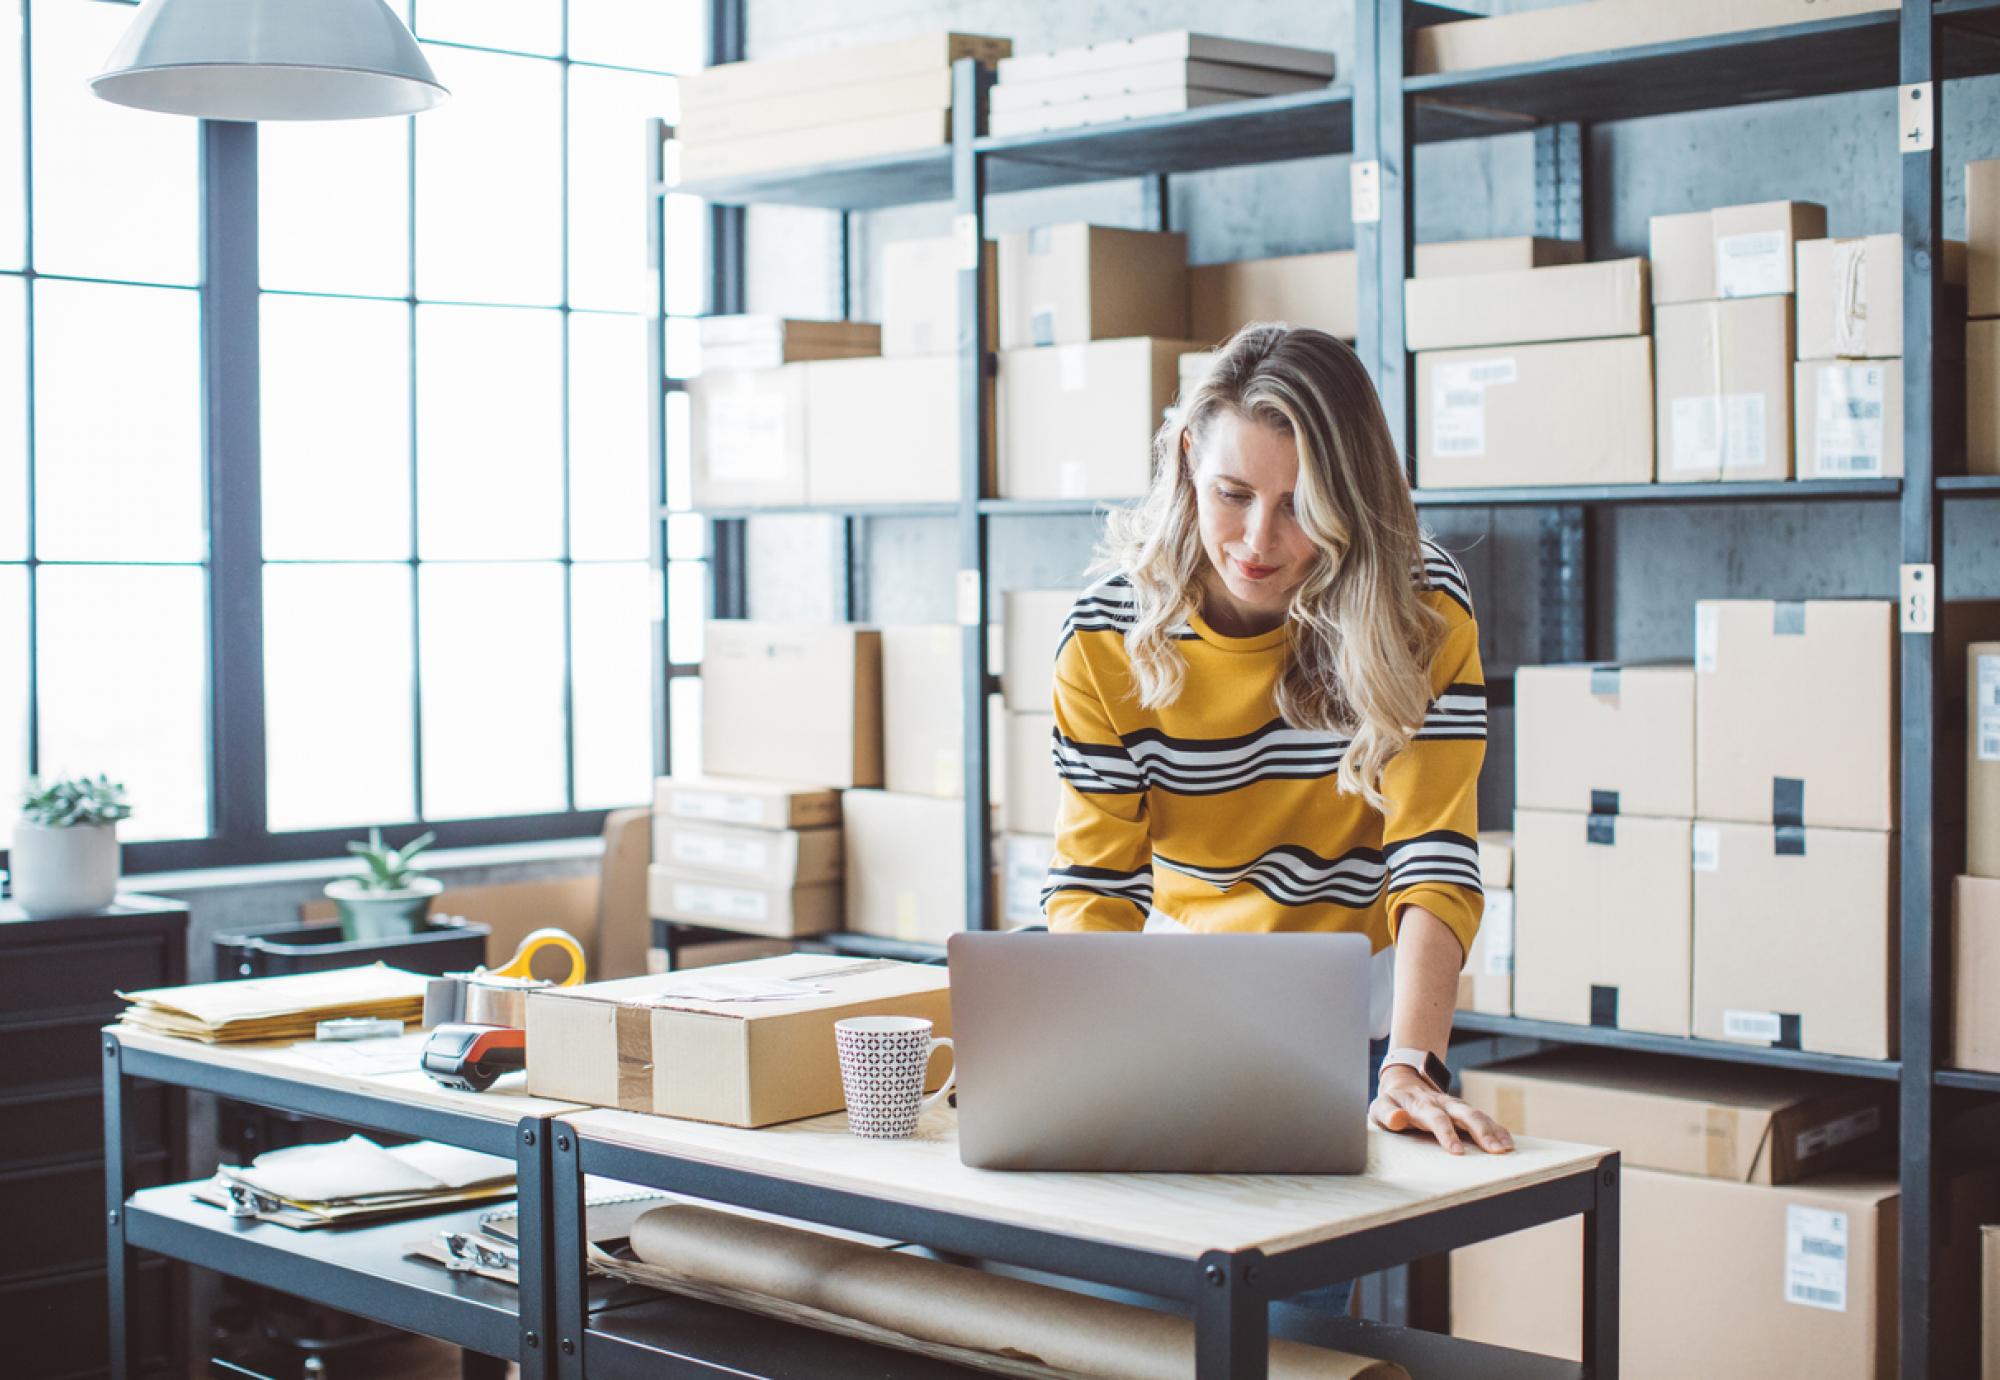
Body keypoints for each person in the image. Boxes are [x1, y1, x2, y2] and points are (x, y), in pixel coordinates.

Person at [1041, 322, 1513, 1199]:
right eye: (1231, 493)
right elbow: (1095, 887)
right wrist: (1082, 1051)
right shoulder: (1105, 634)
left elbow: (1433, 855)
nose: (1259, 540)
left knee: (1302, 1293)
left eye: (1302, 505)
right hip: (1175, 988)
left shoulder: (1421, 609)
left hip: (1363, 1009)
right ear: (1187, 460)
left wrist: (1414, 1063)